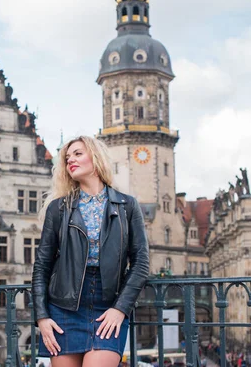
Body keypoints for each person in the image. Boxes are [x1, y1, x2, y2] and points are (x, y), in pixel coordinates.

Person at [32, 136, 150, 367]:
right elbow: (42, 265)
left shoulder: (127, 206)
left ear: (96, 158)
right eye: (67, 158)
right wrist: (42, 317)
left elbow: (141, 263)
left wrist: (120, 309)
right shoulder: (58, 208)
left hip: (109, 306)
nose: (70, 161)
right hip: (64, 307)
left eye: (77, 154)